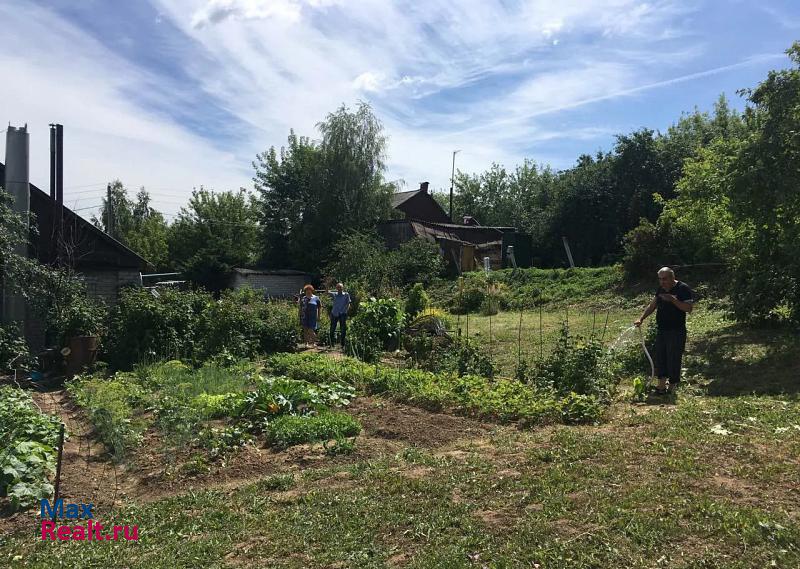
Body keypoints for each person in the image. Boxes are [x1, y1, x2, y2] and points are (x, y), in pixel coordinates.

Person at [634, 267, 694, 395]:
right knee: (661, 356)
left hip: (676, 330)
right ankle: (661, 385)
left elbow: (688, 308)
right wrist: (641, 318)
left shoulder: (683, 288)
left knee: (673, 357)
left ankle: (672, 385)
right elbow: (652, 305)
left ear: (672, 277)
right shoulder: (661, 289)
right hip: (662, 329)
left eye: (665, 279)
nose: (662, 282)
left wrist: (672, 300)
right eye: (660, 279)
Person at [329, 282, 351, 348]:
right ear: (336, 288)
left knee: (343, 329)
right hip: (334, 313)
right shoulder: (334, 294)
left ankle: (342, 344)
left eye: (340, 287)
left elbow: (348, 303)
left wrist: (346, 310)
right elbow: (327, 292)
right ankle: (331, 344)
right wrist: (327, 284)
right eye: (338, 287)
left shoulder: (346, 294)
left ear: (342, 288)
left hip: (343, 313)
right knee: (332, 328)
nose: (339, 288)